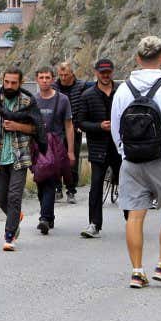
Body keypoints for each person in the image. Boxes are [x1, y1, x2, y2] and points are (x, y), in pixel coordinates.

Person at [110, 35, 161, 288]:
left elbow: (116, 128)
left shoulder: (123, 89)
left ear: (137, 59)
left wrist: (124, 152)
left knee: (135, 216)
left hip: (132, 160)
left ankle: (137, 271)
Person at [0, 67, 41, 251]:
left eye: (14, 83)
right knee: (0, 198)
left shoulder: (27, 102)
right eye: (7, 82)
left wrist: (17, 126)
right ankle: (16, 216)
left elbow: (36, 129)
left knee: (14, 196)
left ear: (20, 83)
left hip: (20, 156)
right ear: (2, 82)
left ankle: (9, 235)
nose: (10, 86)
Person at [75, 58, 122, 238]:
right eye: (102, 72)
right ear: (96, 73)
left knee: (127, 186)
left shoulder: (122, 92)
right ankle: (94, 224)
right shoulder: (87, 95)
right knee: (95, 186)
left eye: (108, 72)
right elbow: (80, 122)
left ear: (112, 72)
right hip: (98, 148)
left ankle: (132, 221)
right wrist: (99, 126)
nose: (105, 75)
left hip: (120, 147)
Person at [33, 65, 76, 235]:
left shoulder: (63, 99)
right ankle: (49, 216)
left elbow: (68, 125)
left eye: (47, 77)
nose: (44, 81)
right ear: (37, 79)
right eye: (41, 77)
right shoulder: (33, 100)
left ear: (53, 79)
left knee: (50, 181)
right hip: (38, 147)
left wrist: (70, 150)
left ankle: (44, 218)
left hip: (56, 147)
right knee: (40, 182)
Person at [55, 61, 88, 204]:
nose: (63, 77)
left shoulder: (81, 87)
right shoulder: (54, 87)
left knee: (72, 160)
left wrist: (81, 123)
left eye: (66, 75)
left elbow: (85, 105)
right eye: (60, 75)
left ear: (72, 74)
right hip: (56, 129)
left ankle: (71, 190)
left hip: (74, 128)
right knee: (55, 161)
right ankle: (57, 189)